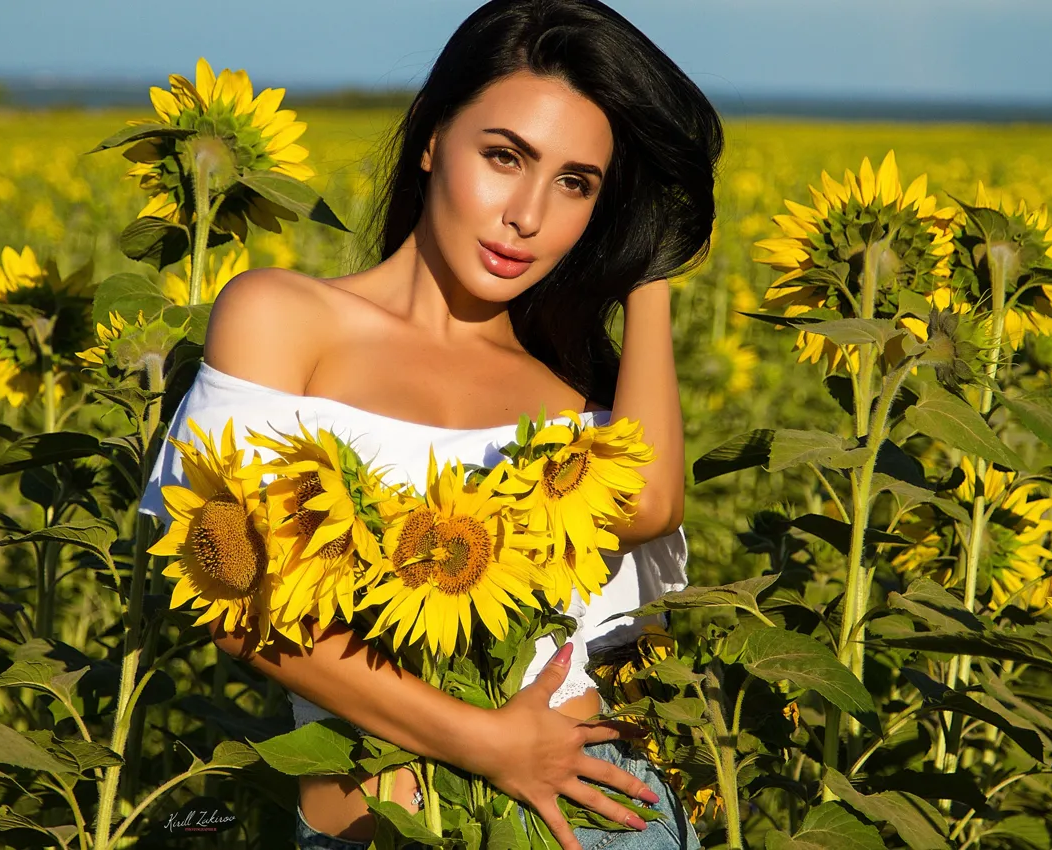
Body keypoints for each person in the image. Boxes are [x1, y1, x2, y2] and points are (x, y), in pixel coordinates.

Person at [139, 0, 722, 847]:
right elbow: (238, 602)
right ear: (430, 139)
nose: (527, 213)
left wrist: (649, 268)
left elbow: (650, 505)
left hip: (603, 823)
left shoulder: (578, 394)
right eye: (503, 156)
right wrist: (486, 743)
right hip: (376, 826)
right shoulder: (287, 319)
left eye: (575, 184)